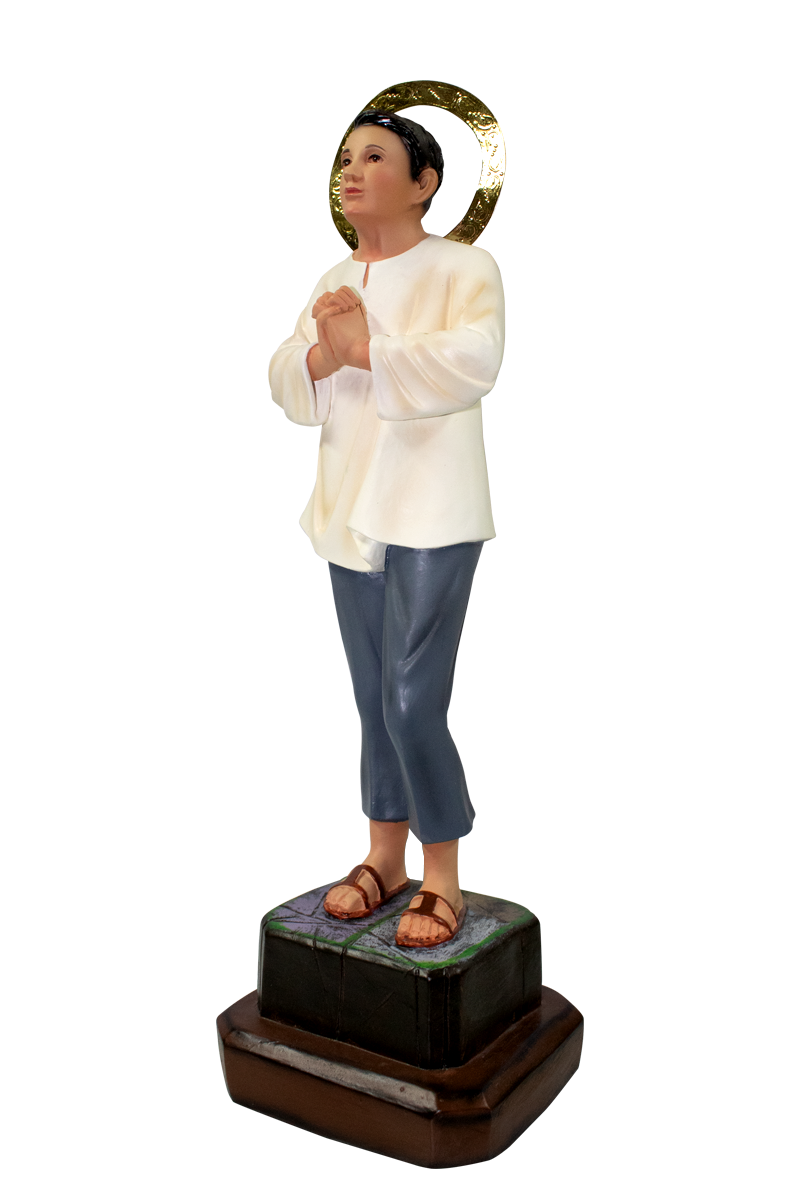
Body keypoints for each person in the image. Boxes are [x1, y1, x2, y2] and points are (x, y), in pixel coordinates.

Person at [268, 110, 504, 948]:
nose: (352, 170)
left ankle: (441, 871)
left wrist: (368, 350)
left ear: (424, 183)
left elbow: (473, 361)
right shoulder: (337, 277)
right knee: (372, 699)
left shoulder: (462, 268)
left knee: (411, 700)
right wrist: (324, 355)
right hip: (348, 508)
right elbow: (289, 378)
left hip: (431, 512)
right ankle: (383, 855)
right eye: (346, 157)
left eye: (375, 156)